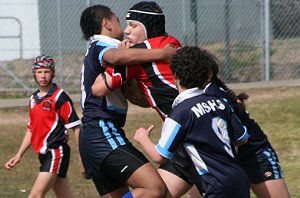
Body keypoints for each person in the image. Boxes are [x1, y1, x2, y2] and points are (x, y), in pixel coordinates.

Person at [79, 4, 172, 198]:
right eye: (120, 22)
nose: (126, 30)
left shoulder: (94, 49)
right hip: (102, 131)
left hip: (92, 135)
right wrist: (162, 53)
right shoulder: (103, 44)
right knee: (155, 188)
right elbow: (117, 57)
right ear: (107, 23)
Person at [134, 46, 250, 198]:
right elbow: (243, 138)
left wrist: (143, 138)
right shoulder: (219, 102)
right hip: (239, 178)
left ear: (175, 75)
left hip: (215, 184)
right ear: (205, 76)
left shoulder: (180, 113)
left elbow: (159, 156)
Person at [4, 55, 81, 198]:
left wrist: (83, 158)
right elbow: (30, 129)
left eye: (46, 71)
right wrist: (18, 155)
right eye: (39, 72)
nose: (43, 76)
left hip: (56, 151)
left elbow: (76, 128)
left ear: (53, 73)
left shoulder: (60, 97)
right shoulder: (33, 99)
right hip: (43, 154)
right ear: (34, 74)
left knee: (35, 195)